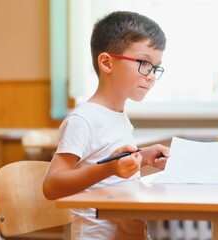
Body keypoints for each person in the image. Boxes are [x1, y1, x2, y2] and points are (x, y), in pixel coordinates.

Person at [43, 11, 169, 240]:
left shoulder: (118, 115)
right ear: (106, 63)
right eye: (143, 63)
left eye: (155, 67)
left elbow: (112, 166)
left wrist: (144, 157)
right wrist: (108, 168)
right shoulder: (84, 119)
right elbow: (52, 185)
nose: (151, 76)